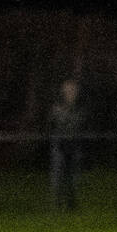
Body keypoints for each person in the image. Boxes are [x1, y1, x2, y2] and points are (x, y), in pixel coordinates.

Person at [48, 79, 84, 210]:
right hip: (59, 145)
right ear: (63, 92)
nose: (71, 93)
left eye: (73, 91)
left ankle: (71, 203)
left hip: (74, 145)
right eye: (68, 91)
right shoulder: (56, 109)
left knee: (73, 176)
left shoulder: (79, 109)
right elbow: (52, 125)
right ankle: (57, 203)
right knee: (58, 176)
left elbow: (80, 125)